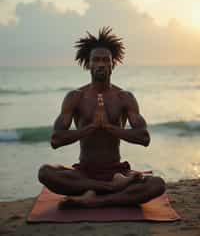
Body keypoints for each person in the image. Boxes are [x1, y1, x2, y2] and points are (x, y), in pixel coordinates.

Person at [38, 27, 165, 209]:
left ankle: (96, 199)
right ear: (88, 64)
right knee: (45, 173)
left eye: (106, 60)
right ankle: (110, 189)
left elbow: (144, 138)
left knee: (157, 184)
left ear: (113, 65)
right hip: (84, 173)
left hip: (116, 170)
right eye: (96, 60)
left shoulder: (124, 97)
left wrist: (109, 127)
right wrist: (88, 129)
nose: (101, 64)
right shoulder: (75, 97)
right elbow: (55, 140)